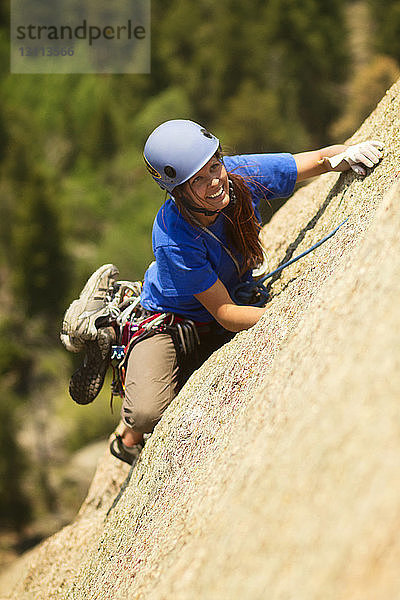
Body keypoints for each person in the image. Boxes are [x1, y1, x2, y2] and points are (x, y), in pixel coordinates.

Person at [62, 119, 383, 464]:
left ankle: (129, 420)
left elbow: (319, 160)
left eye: (214, 165)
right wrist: (289, 314)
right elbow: (226, 314)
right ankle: (113, 331)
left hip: (219, 300)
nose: (214, 181)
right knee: (146, 414)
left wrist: (345, 155)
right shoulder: (174, 238)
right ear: (177, 190)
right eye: (197, 180)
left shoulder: (237, 174)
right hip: (169, 317)